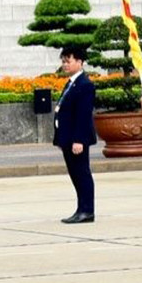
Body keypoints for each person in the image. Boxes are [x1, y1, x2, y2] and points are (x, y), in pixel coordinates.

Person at [51, 44, 96, 223]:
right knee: (75, 174)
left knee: (81, 173)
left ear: (79, 61)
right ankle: (81, 208)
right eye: (63, 61)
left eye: (68, 61)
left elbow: (83, 115)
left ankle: (87, 210)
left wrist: (79, 140)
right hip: (67, 137)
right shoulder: (71, 83)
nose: (65, 65)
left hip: (76, 139)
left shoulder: (85, 85)